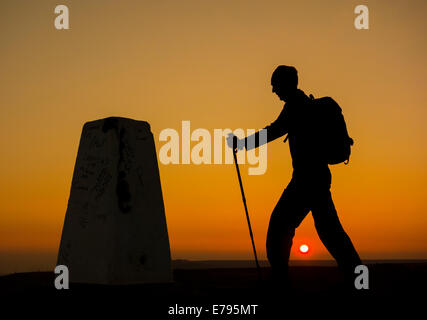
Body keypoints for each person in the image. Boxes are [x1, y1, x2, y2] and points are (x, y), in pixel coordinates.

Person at [227, 65, 361, 284]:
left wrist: (242, 144)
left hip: (305, 180)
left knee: (280, 226)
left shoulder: (295, 106)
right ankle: (359, 279)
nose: (273, 91)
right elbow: (276, 129)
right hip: (318, 177)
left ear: (285, 84)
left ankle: (280, 282)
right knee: (331, 233)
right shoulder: (303, 105)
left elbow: (273, 131)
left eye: (275, 85)